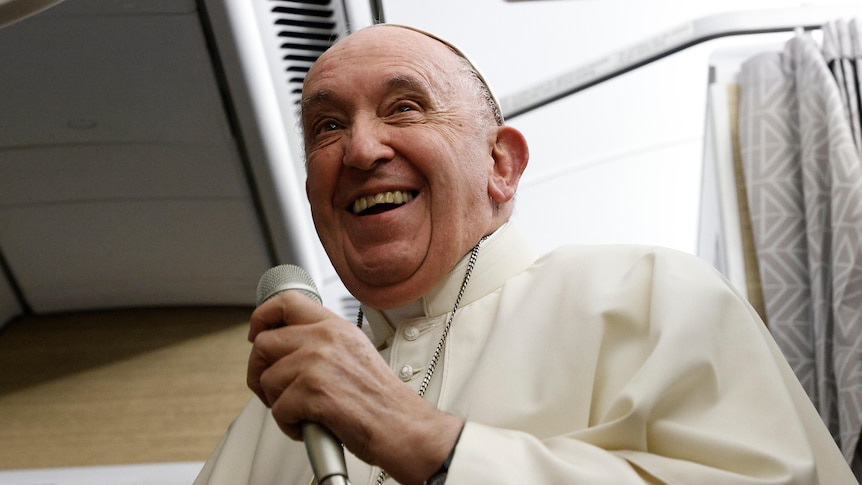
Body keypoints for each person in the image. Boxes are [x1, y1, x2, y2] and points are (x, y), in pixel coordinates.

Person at [194, 24, 856, 485]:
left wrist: (430, 444)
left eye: (403, 107)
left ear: (500, 164)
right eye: (328, 125)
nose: (361, 150)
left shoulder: (648, 296)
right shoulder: (266, 427)